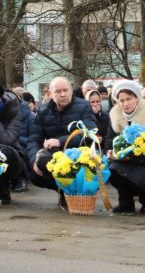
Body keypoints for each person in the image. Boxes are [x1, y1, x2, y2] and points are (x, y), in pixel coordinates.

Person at [27, 76, 96, 208]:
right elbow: (34, 138)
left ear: (71, 90)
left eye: (65, 90)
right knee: (34, 173)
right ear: (50, 94)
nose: (62, 94)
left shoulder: (84, 106)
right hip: (54, 156)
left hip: (78, 154)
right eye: (58, 92)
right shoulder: (43, 110)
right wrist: (33, 161)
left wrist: (60, 142)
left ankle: (74, 194)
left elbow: (90, 133)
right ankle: (64, 191)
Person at [104, 80, 145, 215]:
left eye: (129, 99)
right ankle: (125, 203)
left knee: (139, 174)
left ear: (137, 99)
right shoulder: (114, 117)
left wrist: (134, 157)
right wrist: (109, 152)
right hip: (123, 161)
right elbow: (109, 141)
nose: (125, 103)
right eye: (121, 100)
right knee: (114, 169)